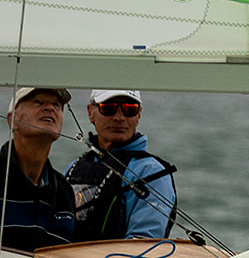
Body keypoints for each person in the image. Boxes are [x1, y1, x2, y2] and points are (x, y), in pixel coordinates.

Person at [67, 90, 177, 240]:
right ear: (90, 112)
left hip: (120, 256)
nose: (119, 117)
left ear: (138, 115)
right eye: (108, 108)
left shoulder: (151, 172)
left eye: (129, 109)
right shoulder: (73, 168)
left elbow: (145, 241)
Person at [0, 86, 78, 254]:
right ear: (12, 120)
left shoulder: (64, 192)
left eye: (56, 105)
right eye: (38, 102)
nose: (50, 108)